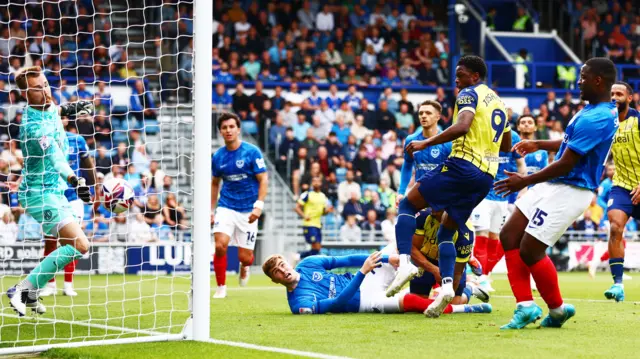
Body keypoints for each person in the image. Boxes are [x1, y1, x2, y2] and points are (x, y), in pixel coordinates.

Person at [494, 58, 618, 329]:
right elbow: (567, 144)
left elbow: (567, 162)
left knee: (530, 248)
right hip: (556, 184)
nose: (578, 81)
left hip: (573, 188)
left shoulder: (597, 118)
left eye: (583, 77)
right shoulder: (592, 110)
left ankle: (558, 310)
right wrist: (538, 143)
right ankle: (525, 306)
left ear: (598, 80)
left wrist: (524, 180)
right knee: (509, 234)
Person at [389, 56, 511, 319]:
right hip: (485, 177)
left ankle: (406, 264)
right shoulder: (499, 102)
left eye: (461, 74)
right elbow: (507, 145)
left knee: (408, 204)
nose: (456, 79)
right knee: (447, 231)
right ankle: (446, 286)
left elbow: (463, 125)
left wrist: (426, 143)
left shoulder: (469, 94)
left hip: (462, 165)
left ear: (475, 76)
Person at [7, 66, 93, 316]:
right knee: (81, 244)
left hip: (55, 192)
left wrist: (75, 106)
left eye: (45, 84)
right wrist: (75, 179)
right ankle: (22, 290)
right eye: (37, 88)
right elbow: (55, 156)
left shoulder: (49, 108)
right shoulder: (33, 128)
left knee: (74, 247)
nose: (45, 91)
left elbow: (58, 110)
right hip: (39, 193)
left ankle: (32, 291)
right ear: (26, 94)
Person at [262, 248, 492, 315]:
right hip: (365, 301)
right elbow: (338, 304)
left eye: (283, 265)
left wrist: (385, 258)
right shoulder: (299, 304)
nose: (283, 271)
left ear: (288, 264)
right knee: (415, 302)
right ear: (275, 281)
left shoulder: (308, 263)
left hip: (366, 277)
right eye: (277, 273)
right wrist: (362, 273)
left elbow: (347, 258)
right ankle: (469, 302)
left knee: (402, 248)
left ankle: (462, 255)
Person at [211, 112, 269, 299]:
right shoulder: (218, 156)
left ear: (238, 129)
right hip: (226, 206)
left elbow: (263, 179)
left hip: (248, 210)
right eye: (224, 128)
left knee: (245, 257)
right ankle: (221, 287)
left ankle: (245, 267)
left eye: (231, 127)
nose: (228, 130)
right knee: (220, 245)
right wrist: (211, 210)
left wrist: (258, 206)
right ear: (220, 131)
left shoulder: (252, 152)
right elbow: (214, 183)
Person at [40, 130, 98, 297]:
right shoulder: (44, 138)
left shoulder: (77, 140)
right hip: (50, 196)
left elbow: (89, 165)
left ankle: (68, 285)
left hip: (73, 198)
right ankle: (50, 285)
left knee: (75, 242)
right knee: (50, 242)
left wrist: (97, 188)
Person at [470, 119, 525, 289]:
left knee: (495, 237)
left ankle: (484, 276)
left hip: (503, 196)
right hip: (482, 193)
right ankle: (479, 278)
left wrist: (522, 188)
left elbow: (521, 165)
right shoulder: (481, 133)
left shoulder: (513, 137)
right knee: (482, 234)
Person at [598, 81, 640, 302]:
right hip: (622, 185)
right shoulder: (607, 123)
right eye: (612, 93)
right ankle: (618, 284)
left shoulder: (638, 120)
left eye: (619, 94)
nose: (614, 97)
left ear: (630, 98)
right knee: (615, 226)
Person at [410, 209, 490, 309]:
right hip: (426, 259)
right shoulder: (423, 216)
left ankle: (470, 287)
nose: (433, 210)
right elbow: (412, 248)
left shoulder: (466, 233)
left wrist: (446, 296)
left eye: (438, 208)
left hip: (452, 264)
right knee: (416, 305)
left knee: (450, 305)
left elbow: (457, 272)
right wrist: (433, 270)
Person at [397, 100, 451, 206]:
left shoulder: (448, 142)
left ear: (438, 117)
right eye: (421, 113)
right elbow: (407, 166)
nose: (423, 116)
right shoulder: (411, 140)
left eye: (428, 113)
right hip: (420, 195)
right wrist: (401, 192)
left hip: (442, 196)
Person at [295, 176, 333, 259]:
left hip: (318, 225)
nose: (316, 182)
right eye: (314, 181)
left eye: (318, 181)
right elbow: (297, 207)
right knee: (315, 246)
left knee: (317, 248)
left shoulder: (323, 196)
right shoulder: (307, 194)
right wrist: (304, 216)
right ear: (312, 183)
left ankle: (298, 256)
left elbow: (323, 213)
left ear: (321, 183)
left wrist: (327, 211)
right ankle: (299, 256)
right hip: (309, 225)